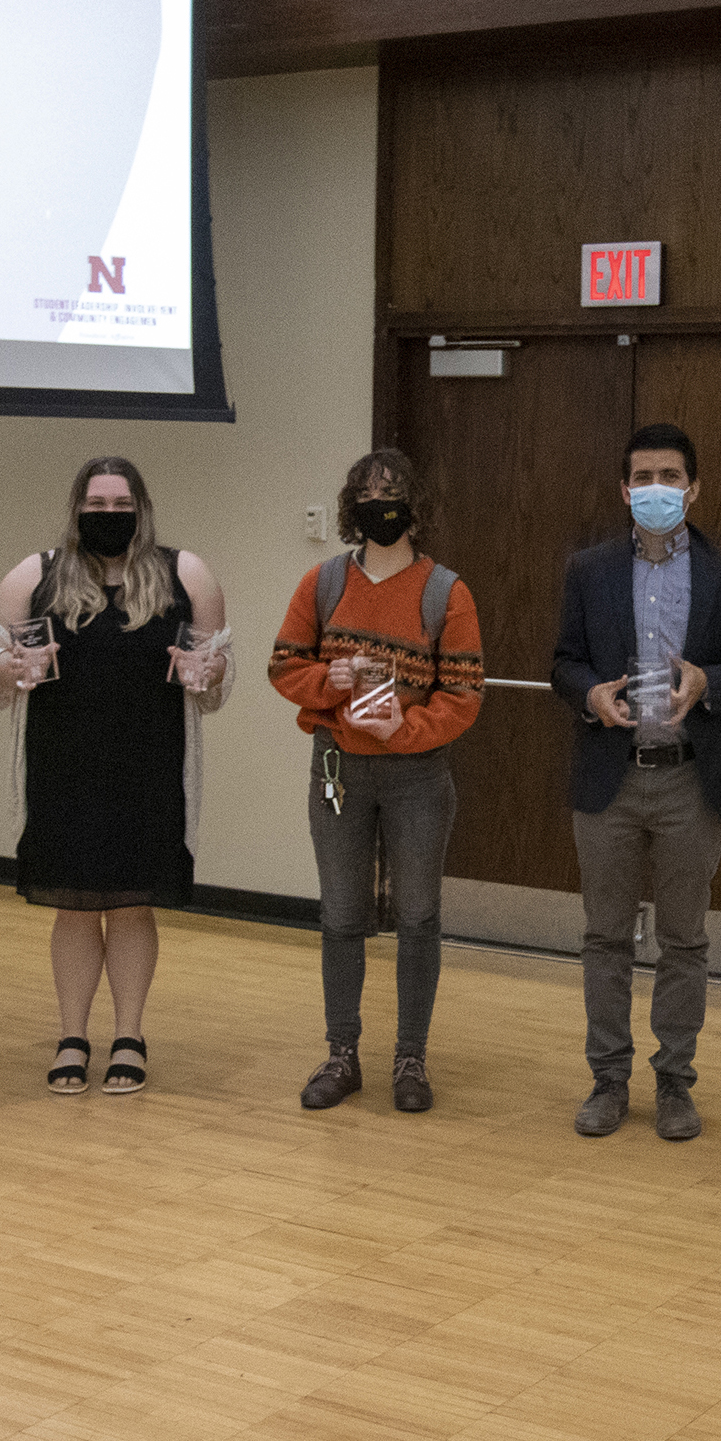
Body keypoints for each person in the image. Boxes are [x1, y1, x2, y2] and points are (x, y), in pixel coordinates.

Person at [552, 423, 721, 1141]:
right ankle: (608, 1080)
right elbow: (563, 663)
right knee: (605, 938)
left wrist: (712, 683)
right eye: (644, 477)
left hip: (691, 779)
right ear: (625, 491)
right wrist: (589, 693)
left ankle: (675, 1081)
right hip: (611, 778)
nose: (657, 488)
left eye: (671, 477)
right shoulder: (588, 569)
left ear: (694, 488)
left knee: (684, 941)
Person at [0, 458, 227, 1097]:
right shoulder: (34, 574)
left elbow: (214, 680)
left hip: (151, 771)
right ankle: (71, 1036)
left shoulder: (186, 573)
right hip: (60, 770)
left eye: (121, 505)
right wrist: (11, 669)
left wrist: (210, 675)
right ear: (77, 509)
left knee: (131, 905)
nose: (109, 515)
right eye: (97, 504)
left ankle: (129, 1036)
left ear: (141, 509)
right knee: (72, 906)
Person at [269, 450, 487, 1112]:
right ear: (350, 507)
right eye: (365, 494)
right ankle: (342, 1055)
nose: (377, 504)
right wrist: (328, 680)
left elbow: (465, 694)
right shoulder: (323, 583)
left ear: (412, 505)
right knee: (341, 914)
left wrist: (405, 729)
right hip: (337, 765)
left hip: (417, 774)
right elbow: (283, 666)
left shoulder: (446, 592)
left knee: (418, 916)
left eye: (390, 493)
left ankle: (410, 1059)